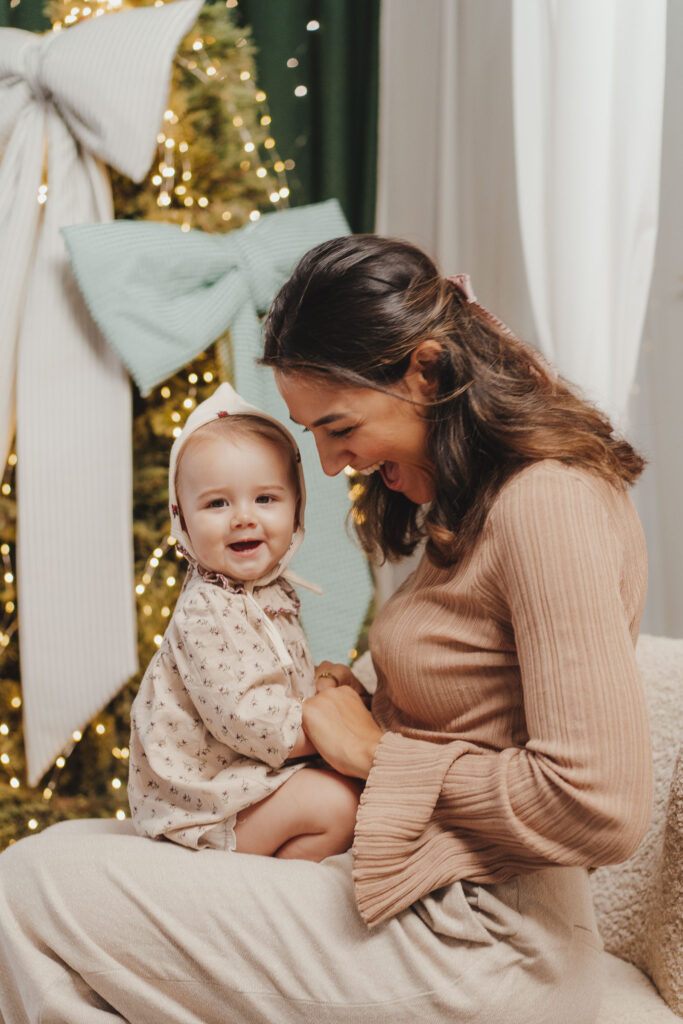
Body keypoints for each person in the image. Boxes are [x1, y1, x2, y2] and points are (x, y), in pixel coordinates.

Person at [0, 235, 652, 1024]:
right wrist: (361, 699)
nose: (331, 464)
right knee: (57, 857)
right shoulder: (476, 506)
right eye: (311, 433)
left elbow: (598, 804)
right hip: (413, 884)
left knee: (26, 890)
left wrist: (375, 752)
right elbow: (475, 712)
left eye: (338, 426)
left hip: (487, 940)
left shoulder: (550, 502)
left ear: (426, 368)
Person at [128, 381, 361, 860]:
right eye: (217, 503)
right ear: (183, 520)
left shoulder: (271, 592)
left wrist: (323, 693)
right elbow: (244, 718)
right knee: (338, 804)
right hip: (203, 800)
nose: (243, 518)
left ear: (297, 507)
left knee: (346, 791)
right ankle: (267, 904)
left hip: (252, 774)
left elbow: (274, 682)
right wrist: (332, 726)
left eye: (265, 499)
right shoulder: (205, 609)